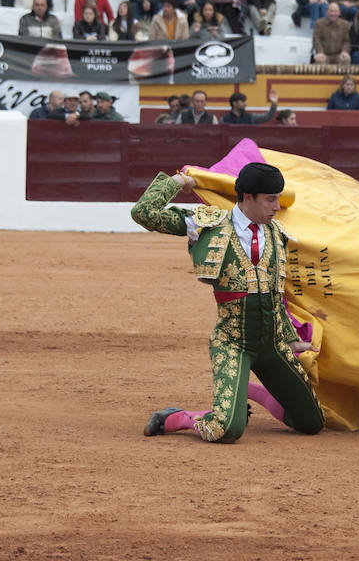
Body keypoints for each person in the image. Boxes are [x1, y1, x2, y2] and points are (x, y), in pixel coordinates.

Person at [132, 163, 325, 443]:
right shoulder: (207, 224)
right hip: (233, 343)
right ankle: (175, 418)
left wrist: (289, 338)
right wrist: (177, 182)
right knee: (225, 429)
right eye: (270, 199)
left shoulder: (277, 233)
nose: (276, 206)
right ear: (248, 197)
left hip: (272, 344)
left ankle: (250, 390)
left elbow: (275, 295)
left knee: (311, 422)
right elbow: (143, 213)